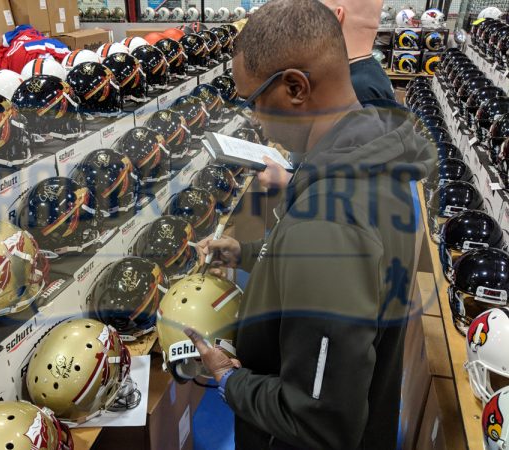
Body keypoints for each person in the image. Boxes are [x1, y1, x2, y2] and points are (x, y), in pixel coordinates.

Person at [184, 1, 436, 449]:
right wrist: (252, 252)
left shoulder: (328, 219)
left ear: (295, 87)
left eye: (255, 100)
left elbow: (320, 419)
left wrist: (229, 381)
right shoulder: (371, 148)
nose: (256, 119)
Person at [257, 0, 395, 189]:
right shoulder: (364, 75)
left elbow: (351, 187)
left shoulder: (357, 88)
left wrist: (287, 181)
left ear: (335, 17)